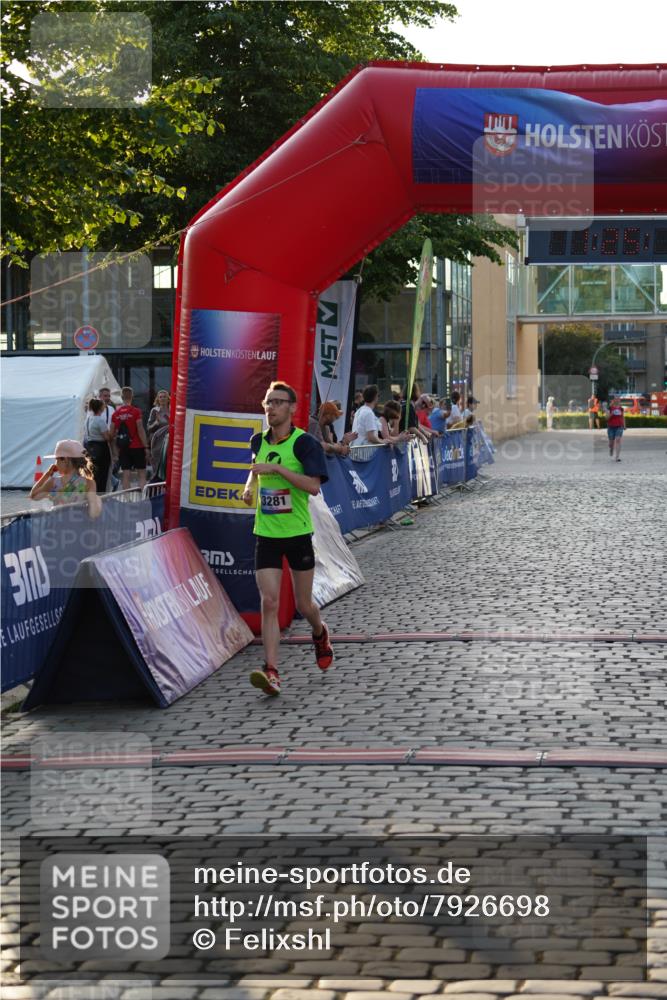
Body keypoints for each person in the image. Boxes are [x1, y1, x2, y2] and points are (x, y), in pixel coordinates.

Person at [242, 380, 332, 697]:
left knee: (305, 604)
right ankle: (272, 671)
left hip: (297, 533)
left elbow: (313, 487)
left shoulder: (303, 444)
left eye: (278, 402)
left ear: (292, 408)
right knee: (269, 602)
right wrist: (249, 486)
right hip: (266, 533)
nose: (271, 408)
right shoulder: (258, 441)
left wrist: (278, 472)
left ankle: (319, 634)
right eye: (268, 402)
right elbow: (256, 468)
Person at [29, 439, 101, 517]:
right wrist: (98, 501)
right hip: (78, 526)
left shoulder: (53, 482)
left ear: (65, 460)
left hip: (57, 526)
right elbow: (93, 514)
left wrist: (47, 474)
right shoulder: (89, 483)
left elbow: (34, 496)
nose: (55, 464)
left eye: (57, 460)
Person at [109, 386, 149, 490]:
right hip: (137, 446)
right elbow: (140, 429)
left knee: (126, 474)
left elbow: (111, 434)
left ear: (121, 397)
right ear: (132, 396)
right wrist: (146, 446)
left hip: (123, 448)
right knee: (141, 473)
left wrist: (114, 450)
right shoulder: (136, 411)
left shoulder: (116, 414)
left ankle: (127, 499)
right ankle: (143, 499)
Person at [83, 398, 112, 493]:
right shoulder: (100, 420)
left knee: (92, 474)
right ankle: (101, 496)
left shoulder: (88, 419)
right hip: (100, 448)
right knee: (102, 475)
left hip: (89, 447)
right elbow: (107, 437)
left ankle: (91, 494)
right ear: (101, 408)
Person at [607, 396, 625, 461]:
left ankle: (617, 457)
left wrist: (624, 425)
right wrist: (612, 413)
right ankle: (611, 449)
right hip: (611, 427)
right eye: (616, 399)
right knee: (611, 444)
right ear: (614, 400)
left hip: (619, 426)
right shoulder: (609, 408)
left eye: (619, 399)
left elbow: (622, 417)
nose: (618, 400)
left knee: (618, 440)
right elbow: (606, 418)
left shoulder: (621, 408)